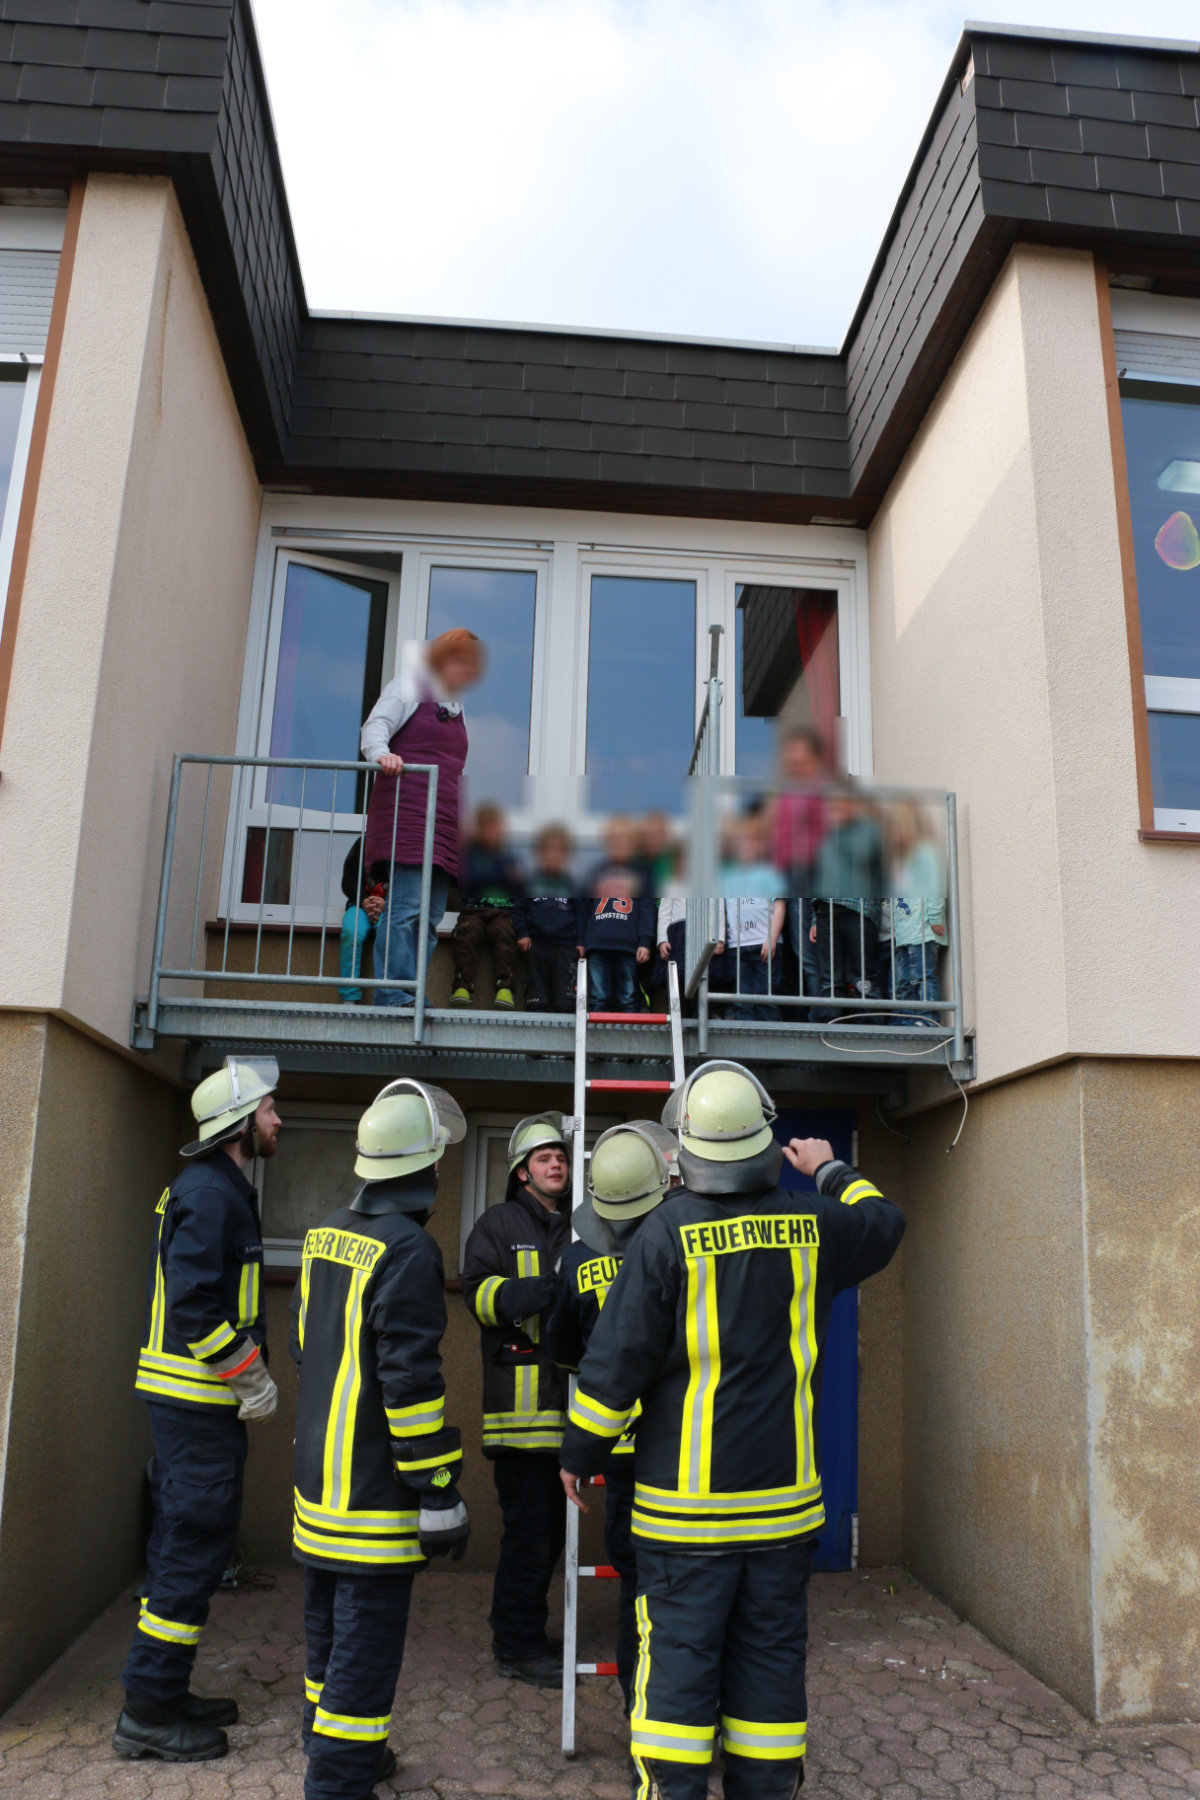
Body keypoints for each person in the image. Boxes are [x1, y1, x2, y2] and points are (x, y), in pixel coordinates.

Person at [559, 1061, 905, 1800]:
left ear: (686, 1153)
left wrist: (580, 1454)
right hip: (784, 1512)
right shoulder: (815, 1224)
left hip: (684, 1519)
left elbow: (614, 1366)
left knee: (677, 1687)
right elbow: (885, 1223)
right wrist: (831, 1169)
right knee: (770, 1675)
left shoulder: (662, 1234)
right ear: (762, 1139)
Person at [291, 1079, 470, 1800]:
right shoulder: (410, 1249)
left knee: (325, 1632)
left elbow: (308, 1346)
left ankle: (331, 1749)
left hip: (318, 1484)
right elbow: (411, 1386)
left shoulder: (326, 1232)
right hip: (374, 1494)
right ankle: (337, 1780)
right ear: (425, 1169)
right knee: (365, 1646)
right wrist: (437, 1486)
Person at [114, 1058, 282, 1764]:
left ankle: (164, 1691)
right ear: (242, 1123)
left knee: (188, 1548)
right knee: (190, 1549)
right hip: (197, 1404)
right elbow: (192, 1308)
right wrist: (250, 1377)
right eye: (270, 1108)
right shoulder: (212, 1193)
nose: (279, 1118)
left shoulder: (216, 1187)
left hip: (196, 1406)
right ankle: (148, 1711)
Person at [546, 1121, 678, 1712]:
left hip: (615, 1447)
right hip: (683, 1446)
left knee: (638, 1591)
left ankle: (642, 1710)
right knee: (689, 1589)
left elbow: (564, 1351)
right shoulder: (683, 1240)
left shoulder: (575, 1259)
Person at [461, 1115, 572, 1686]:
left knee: (551, 1538)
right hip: (521, 1419)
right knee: (529, 1537)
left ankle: (526, 1630)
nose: (557, 1164)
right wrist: (545, 1290)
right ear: (522, 1172)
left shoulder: (583, 1226)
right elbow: (478, 1298)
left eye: (561, 1156)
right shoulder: (498, 1224)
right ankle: (518, 1646)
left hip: (574, 1417)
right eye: (545, 1157)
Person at [360, 630, 483, 1008]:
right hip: (409, 814)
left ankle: (408, 992)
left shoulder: (456, 706)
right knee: (405, 909)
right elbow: (374, 727)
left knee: (429, 917)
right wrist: (383, 755)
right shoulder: (410, 686)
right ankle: (392, 994)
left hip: (444, 824)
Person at [808, 788, 885, 1017]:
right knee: (829, 975)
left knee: (861, 974)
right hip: (826, 909)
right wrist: (814, 918)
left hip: (858, 909)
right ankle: (832, 1024)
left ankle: (869, 1022)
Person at [769, 727, 828, 1015]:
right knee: (795, 951)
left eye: (799, 756)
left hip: (810, 874)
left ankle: (821, 1016)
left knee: (809, 951)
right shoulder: (788, 794)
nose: (793, 760)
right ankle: (806, 1014)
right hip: (789, 876)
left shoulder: (818, 791)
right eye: (790, 756)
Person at [450, 802, 524, 1010]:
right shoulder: (471, 857)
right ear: (479, 831)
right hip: (473, 910)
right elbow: (469, 879)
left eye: (498, 829)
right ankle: (462, 986)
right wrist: (503, 877)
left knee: (505, 934)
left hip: (502, 911)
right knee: (466, 934)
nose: (494, 834)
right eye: (489, 829)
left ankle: (505, 987)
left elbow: (519, 888)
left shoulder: (509, 858)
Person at [580, 816, 654, 1013]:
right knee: (598, 997)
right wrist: (581, 940)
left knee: (628, 997)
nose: (619, 845)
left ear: (633, 845)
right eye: (615, 840)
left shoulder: (641, 875)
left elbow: (647, 910)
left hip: (628, 947)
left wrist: (645, 942)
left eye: (624, 841)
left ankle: (628, 1040)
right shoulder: (596, 872)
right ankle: (596, 1040)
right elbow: (583, 909)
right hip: (597, 944)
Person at [720, 806, 785, 1021]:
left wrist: (772, 937)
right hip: (737, 948)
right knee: (741, 1000)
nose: (746, 848)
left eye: (752, 842)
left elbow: (779, 905)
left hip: (763, 945)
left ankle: (771, 1046)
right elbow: (721, 909)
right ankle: (745, 1049)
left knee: (766, 998)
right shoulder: (728, 877)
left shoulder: (768, 873)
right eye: (742, 843)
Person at [889, 801, 947, 1025]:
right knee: (904, 981)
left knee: (922, 975)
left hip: (922, 929)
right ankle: (909, 1020)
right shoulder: (900, 860)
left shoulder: (924, 852)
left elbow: (934, 887)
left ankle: (927, 1018)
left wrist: (933, 917)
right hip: (904, 932)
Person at [514, 823, 582, 1014]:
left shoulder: (572, 884)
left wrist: (581, 942)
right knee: (536, 996)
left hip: (566, 945)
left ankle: (565, 1012)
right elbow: (519, 910)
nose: (553, 856)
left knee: (566, 1000)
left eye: (558, 852)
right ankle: (537, 1009)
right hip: (536, 944)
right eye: (548, 852)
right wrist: (523, 933)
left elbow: (581, 915)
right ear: (540, 855)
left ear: (566, 856)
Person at [338, 840, 386, 1004]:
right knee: (351, 932)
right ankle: (349, 997)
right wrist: (364, 901)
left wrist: (385, 904)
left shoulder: (403, 845)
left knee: (390, 936)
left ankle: (389, 994)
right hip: (359, 904)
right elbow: (348, 880)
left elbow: (408, 886)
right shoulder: (364, 843)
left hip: (391, 908)